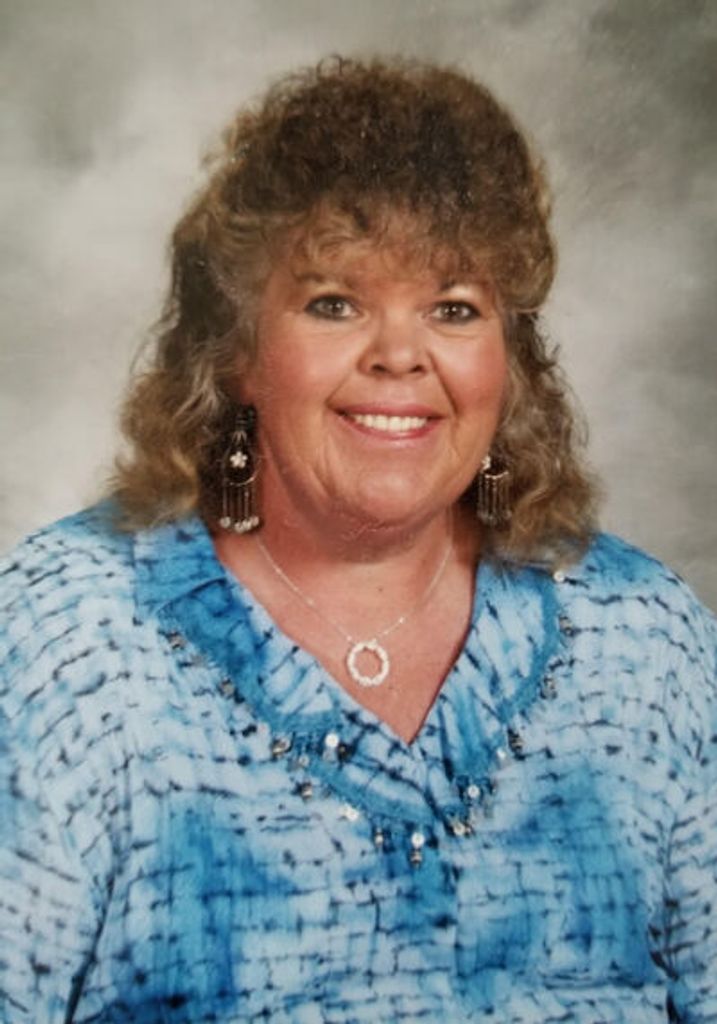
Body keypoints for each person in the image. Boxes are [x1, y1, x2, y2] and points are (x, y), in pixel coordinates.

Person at [0, 56, 714, 1024]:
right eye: (334, 302)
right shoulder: (68, 646)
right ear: (239, 349)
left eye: (453, 308)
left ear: (509, 360)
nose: (399, 355)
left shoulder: (643, 641)